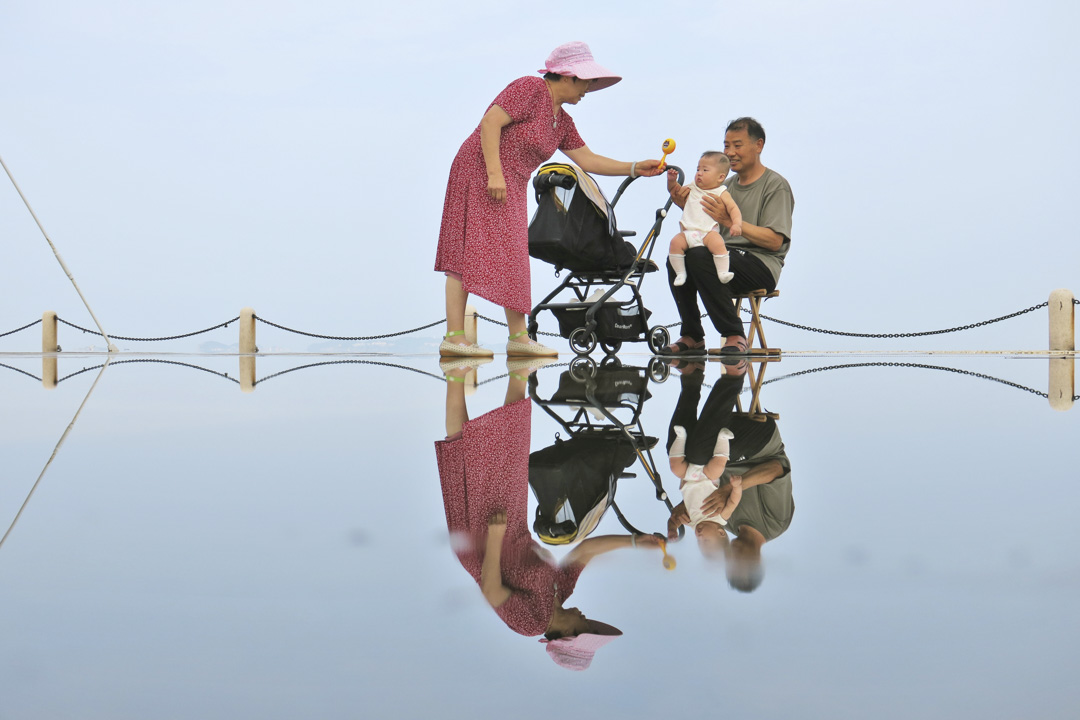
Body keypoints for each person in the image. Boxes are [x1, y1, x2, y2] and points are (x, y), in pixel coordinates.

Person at [434, 41, 662, 359]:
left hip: (512, 181)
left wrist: (635, 168)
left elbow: (589, 160)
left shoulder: (563, 122)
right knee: (465, 249)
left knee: (514, 253)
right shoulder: (529, 88)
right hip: (479, 169)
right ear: (568, 76)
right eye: (587, 81)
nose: (589, 88)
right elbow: (490, 123)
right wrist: (494, 173)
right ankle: (454, 338)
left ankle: (518, 338)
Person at [436, 358, 663, 670]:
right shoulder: (563, 589)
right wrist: (636, 541)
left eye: (588, 628)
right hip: (512, 526)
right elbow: (587, 550)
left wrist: (494, 537)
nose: (588, 620)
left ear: (568, 635)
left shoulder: (530, 624)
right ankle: (519, 364)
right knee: (513, 447)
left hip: (484, 542)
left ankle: (455, 369)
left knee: (464, 451)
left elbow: (491, 590)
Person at [660, 117, 793, 356]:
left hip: (760, 263)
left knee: (700, 256)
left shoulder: (775, 185)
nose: (730, 152)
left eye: (737, 145)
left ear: (758, 145)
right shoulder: (721, 184)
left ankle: (734, 334)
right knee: (678, 256)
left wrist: (730, 221)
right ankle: (692, 336)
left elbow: (774, 241)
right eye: (726, 146)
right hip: (721, 254)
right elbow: (703, 222)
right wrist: (683, 203)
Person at [664, 361, 794, 591]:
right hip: (760, 445)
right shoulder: (775, 524)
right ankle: (734, 375)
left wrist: (681, 510)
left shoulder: (723, 525)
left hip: (719, 458)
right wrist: (733, 487)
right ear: (755, 562)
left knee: (677, 451)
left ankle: (691, 377)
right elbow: (776, 468)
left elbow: (699, 489)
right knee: (699, 450)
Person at [667, 152, 743, 286]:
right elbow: (675, 192)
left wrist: (736, 224)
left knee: (718, 243)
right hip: (687, 233)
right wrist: (672, 181)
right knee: (674, 243)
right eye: (698, 169)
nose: (699, 173)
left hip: (708, 233)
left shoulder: (721, 192)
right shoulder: (692, 187)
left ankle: (722, 271)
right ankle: (680, 273)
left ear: (720, 177)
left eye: (705, 170)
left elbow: (733, 209)